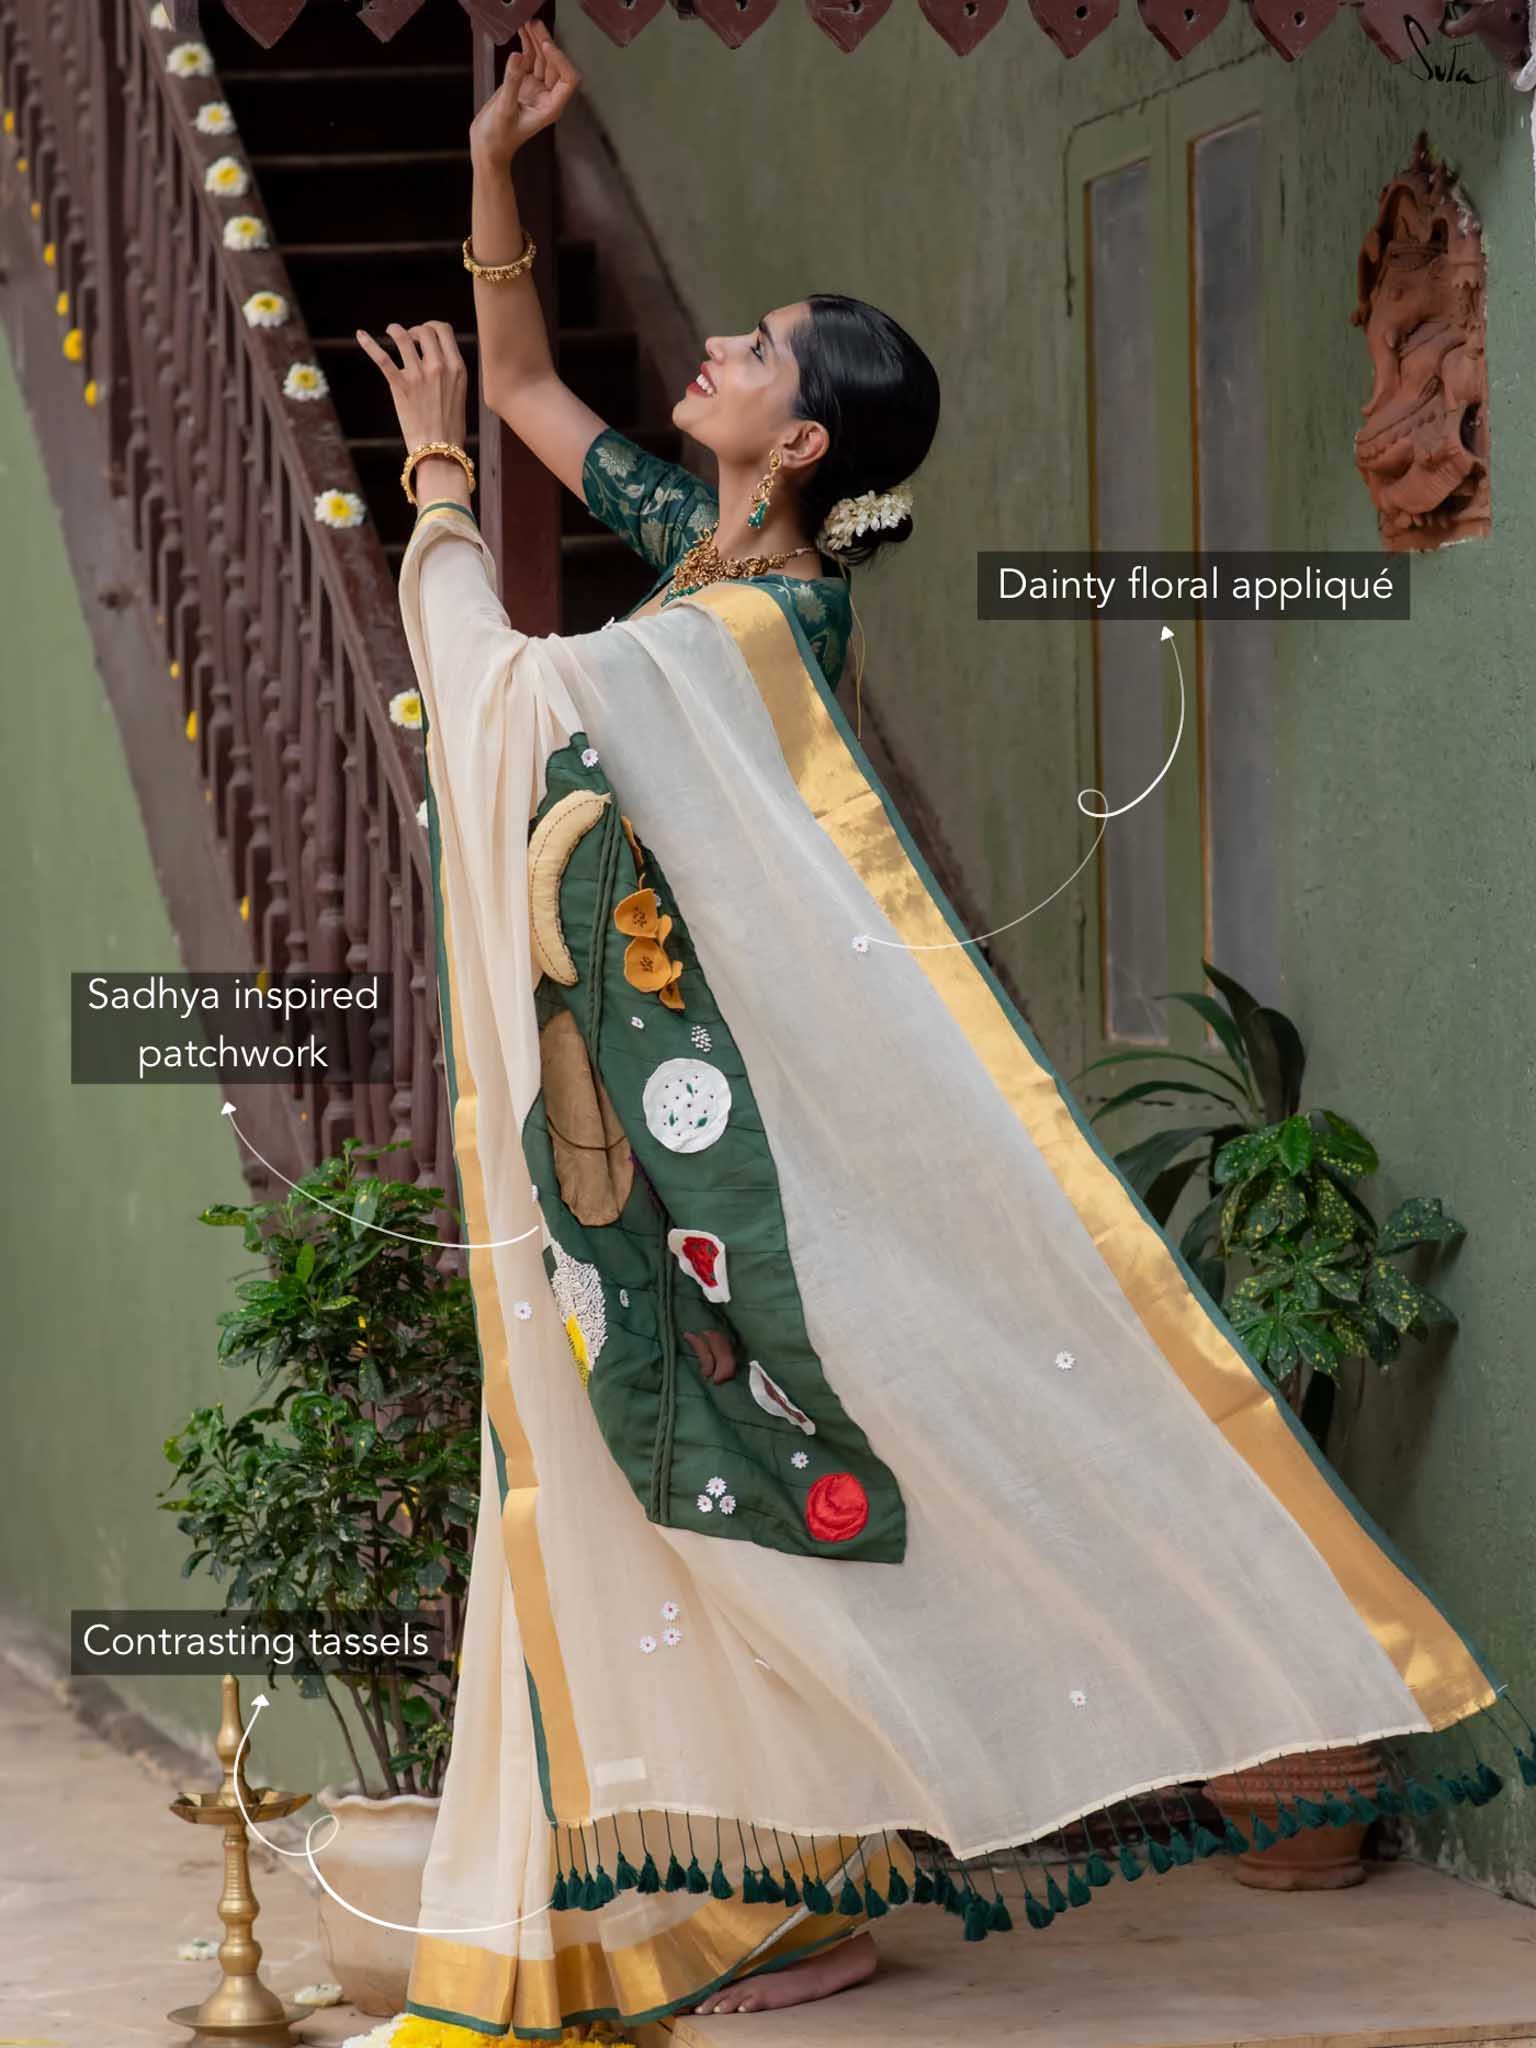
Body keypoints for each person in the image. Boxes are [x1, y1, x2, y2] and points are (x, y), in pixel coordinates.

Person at [350, 29, 1529, 2047]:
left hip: (732, 1147)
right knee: (701, 1496)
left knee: (776, 1486)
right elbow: (537, 379)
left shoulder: (756, 630)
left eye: (754, 350)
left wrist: (439, 494)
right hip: (672, 1119)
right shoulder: (702, 546)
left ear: (803, 439)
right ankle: (747, 1902)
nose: (715, 347)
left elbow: (514, 699)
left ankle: (816, 1882)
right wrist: (490, 173)